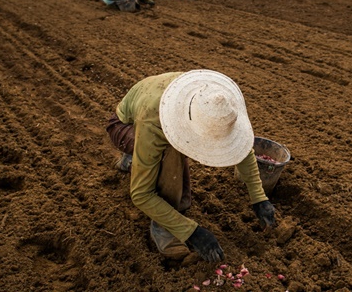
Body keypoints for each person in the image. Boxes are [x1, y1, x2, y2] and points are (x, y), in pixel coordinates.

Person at [105, 70, 277, 262]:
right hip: (123, 126)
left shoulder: (213, 98)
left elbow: (242, 147)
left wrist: (259, 197)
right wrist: (193, 233)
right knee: (170, 154)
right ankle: (162, 227)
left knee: (171, 156)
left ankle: (135, 159)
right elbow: (140, 194)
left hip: (147, 115)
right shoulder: (155, 122)